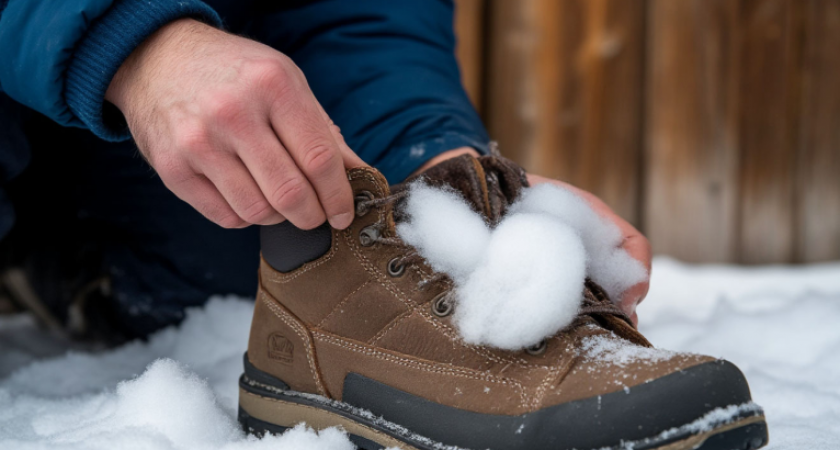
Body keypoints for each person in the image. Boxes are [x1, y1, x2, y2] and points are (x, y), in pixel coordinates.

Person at [0, 0, 651, 339]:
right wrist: (130, 45)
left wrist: (431, 158)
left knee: (263, 248)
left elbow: (361, 19)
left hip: (95, 155)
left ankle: (55, 262)